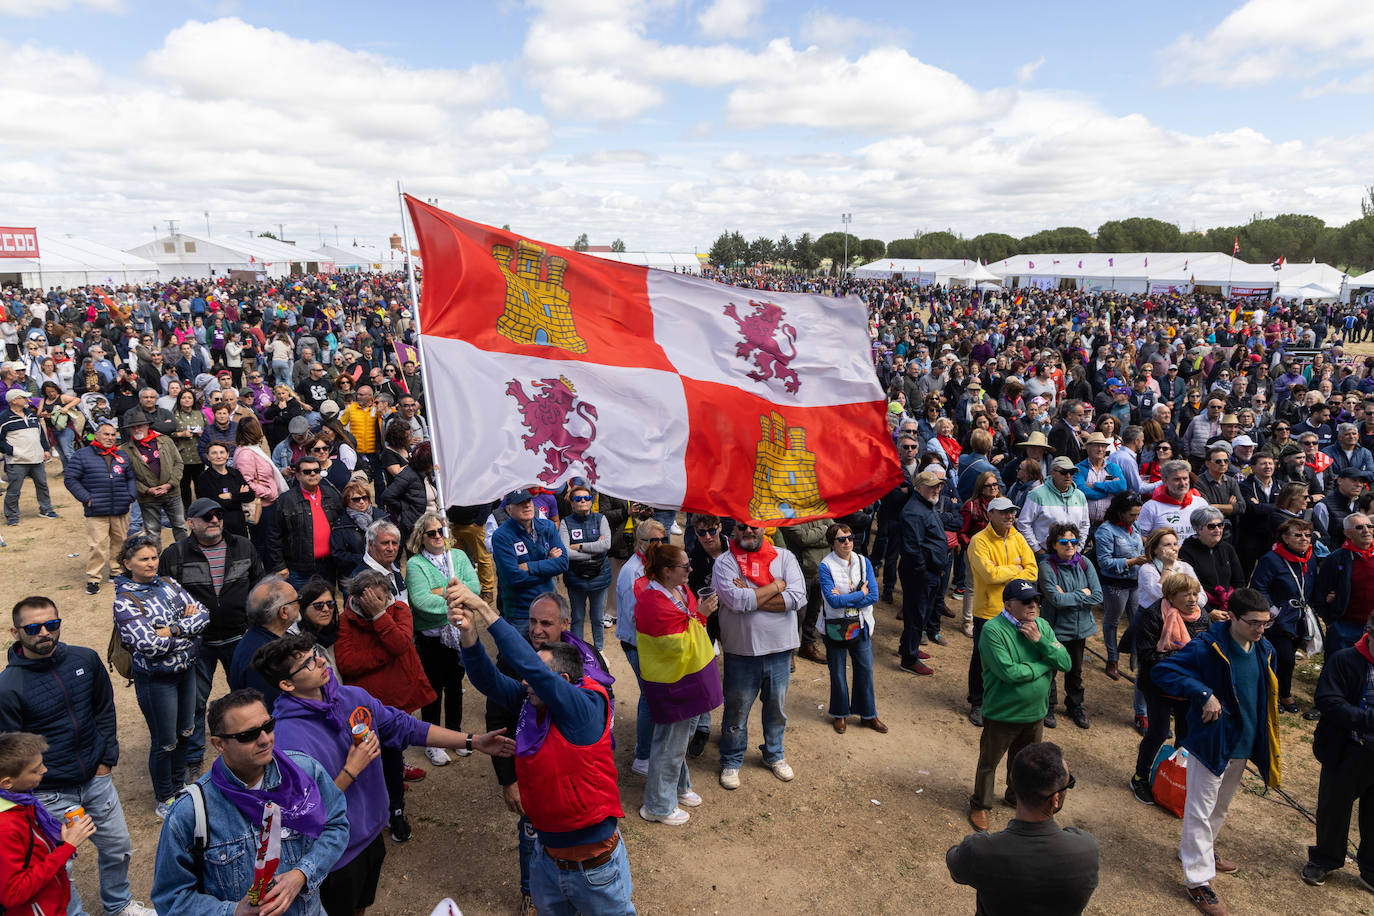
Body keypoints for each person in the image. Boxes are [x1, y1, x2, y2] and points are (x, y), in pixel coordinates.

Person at [258, 632, 513, 916]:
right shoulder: (286, 738)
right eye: (308, 663)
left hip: (372, 836)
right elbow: (301, 811)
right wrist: (351, 770)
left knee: (361, 907)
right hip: (334, 857)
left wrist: (472, 741)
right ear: (286, 684)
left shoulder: (350, 697)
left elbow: (405, 726)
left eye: (316, 653)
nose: (320, 661)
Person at [448, 581, 636, 916]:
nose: (523, 683)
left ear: (561, 683)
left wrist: (486, 609)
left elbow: (533, 671)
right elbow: (488, 681)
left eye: (533, 678)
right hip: (547, 860)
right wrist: (469, 631)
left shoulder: (585, 706)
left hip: (594, 870)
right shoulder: (532, 697)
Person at [0, 596, 155, 916]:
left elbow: (104, 708)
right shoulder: (7, 688)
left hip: (96, 779)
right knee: (60, 863)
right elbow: (10, 750)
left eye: (51, 624)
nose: (44, 632)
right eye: (33, 627)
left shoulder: (85, 659)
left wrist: (106, 760)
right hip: (49, 792)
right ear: (16, 633)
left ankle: (119, 904)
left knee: (118, 847)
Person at [150, 688, 350, 916]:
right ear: (219, 744)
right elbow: (171, 899)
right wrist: (232, 911)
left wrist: (302, 874)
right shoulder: (191, 812)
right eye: (248, 735)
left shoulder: (305, 773)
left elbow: (337, 826)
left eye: (268, 726)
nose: (264, 739)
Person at [1152, 588, 1280, 916]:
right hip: (1212, 744)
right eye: (1253, 623)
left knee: (1219, 807)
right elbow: (1163, 671)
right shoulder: (1207, 647)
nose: (1260, 629)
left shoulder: (1265, 648)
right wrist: (1203, 693)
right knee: (1199, 809)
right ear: (1232, 617)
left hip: (1243, 745)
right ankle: (1197, 880)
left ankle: (1202, 852)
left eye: (1266, 623)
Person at [158, 497, 264, 783]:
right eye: (207, 517)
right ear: (190, 523)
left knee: (247, 697)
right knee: (195, 702)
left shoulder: (243, 545)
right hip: (197, 643)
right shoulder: (175, 554)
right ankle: (194, 757)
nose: (215, 520)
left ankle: (254, 748)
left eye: (218, 514)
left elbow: (259, 586)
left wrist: (252, 626)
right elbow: (164, 598)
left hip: (239, 638)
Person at [334, 569, 436, 844]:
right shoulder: (347, 620)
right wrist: (385, 654)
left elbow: (401, 644)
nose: (378, 604)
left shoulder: (399, 610)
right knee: (365, 761)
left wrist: (380, 617)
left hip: (395, 702)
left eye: (382, 599)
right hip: (362, 711)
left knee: (392, 758)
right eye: (372, 601)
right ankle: (367, 814)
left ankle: (396, 811)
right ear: (358, 599)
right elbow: (347, 663)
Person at [113, 534, 211, 817]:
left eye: (154, 557)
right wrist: (189, 632)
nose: (151, 563)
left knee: (185, 732)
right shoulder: (125, 601)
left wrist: (174, 630)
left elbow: (202, 615)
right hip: (157, 679)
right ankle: (165, 796)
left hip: (186, 672)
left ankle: (180, 785)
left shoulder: (169, 584)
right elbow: (148, 645)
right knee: (165, 740)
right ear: (127, 563)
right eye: (144, 559)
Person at [947, 741, 1099, 915]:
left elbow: (956, 868)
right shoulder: (1087, 849)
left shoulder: (980, 851)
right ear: (1055, 799)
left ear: (1012, 779)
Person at [967, 579, 1071, 833]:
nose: (1033, 605)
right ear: (1009, 604)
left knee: (1025, 763)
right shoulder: (993, 630)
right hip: (1003, 713)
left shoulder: (1042, 626)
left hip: (1035, 713)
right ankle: (980, 804)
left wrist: (1041, 642)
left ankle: (1016, 796)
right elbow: (1009, 673)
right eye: (1027, 601)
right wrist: (1045, 665)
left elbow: (1065, 662)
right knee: (989, 762)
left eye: (1036, 600)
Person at [712, 521, 806, 789]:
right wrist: (777, 586)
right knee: (736, 711)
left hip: (780, 649)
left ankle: (774, 754)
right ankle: (731, 760)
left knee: (776, 708)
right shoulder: (725, 562)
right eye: (742, 527)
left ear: (766, 528)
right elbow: (736, 602)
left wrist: (752, 595)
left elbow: (798, 597)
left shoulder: (785, 557)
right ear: (735, 530)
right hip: (742, 651)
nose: (748, 531)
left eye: (754, 526)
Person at [633, 542, 722, 826]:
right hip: (671, 682)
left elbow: (686, 627)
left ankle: (679, 786)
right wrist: (703, 615)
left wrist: (697, 616)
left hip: (686, 677)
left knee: (680, 737)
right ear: (667, 571)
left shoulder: (679, 590)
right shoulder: (653, 602)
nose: (690, 569)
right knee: (668, 742)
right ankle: (657, 805)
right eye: (685, 566)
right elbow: (677, 645)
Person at [1130, 574, 1225, 805]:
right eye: (1186, 595)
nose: (1193, 600)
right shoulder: (1153, 616)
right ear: (1171, 597)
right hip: (1158, 686)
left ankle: (1174, 775)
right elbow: (1147, 657)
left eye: (1195, 594)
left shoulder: (1202, 616)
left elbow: (1211, 649)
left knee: (1185, 736)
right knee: (1159, 732)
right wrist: (1185, 656)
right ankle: (1140, 777)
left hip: (1188, 687)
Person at [1301, 612, 1374, 889]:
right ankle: (1324, 859)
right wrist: (1368, 719)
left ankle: (1371, 870)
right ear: (1369, 632)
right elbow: (1329, 702)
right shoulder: (1344, 660)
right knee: (1334, 809)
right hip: (1348, 750)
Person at [404, 511, 478, 766]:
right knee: (433, 690)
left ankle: (456, 735)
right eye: (431, 533)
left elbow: (475, 588)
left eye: (441, 531)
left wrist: (440, 591)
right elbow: (421, 601)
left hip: (458, 635)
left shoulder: (457, 556)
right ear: (420, 537)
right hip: (431, 638)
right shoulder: (415, 564)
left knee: (455, 687)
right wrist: (457, 592)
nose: (437, 536)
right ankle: (432, 742)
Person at [0, 731, 97, 916]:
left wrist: (60, 841)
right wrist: (66, 847)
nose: (44, 770)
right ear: (7, 782)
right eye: (35, 769)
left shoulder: (23, 801)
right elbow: (14, 893)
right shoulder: (5, 826)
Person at [967, 497, 1038, 728]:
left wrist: (1006, 573)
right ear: (990, 515)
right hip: (988, 611)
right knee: (982, 657)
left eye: (1012, 512)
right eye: (1004, 512)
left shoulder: (1018, 537)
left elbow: (1033, 572)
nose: (1010, 516)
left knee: (1012, 655)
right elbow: (989, 575)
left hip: (1016, 612)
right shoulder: (979, 541)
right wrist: (1017, 570)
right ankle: (977, 702)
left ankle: (1002, 699)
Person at [817, 522, 886, 734]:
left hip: (862, 624)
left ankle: (868, 714)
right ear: (832, 543)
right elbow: (833, 602)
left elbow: (874, 596)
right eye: (841, 539)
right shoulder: (825, 566)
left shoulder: (863, 562)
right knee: (837, 672)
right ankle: (840, 714)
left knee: (865, 670)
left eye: (850, 538)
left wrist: (850, 597)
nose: (847, 542)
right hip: (836, 626)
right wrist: (861, 594)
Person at [1036, 522, 1101, 730]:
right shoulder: (1047, 566)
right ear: (1054, 544)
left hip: (1080, 628)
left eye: (1073, 541)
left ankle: (1075, 705)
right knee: (1051, 668)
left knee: (1076, 670)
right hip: (1055, 628)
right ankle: (1049, 706)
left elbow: (1098, 595)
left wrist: (1070, 596)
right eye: (1064, 542)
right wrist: (1084, 593)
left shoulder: (1084, 563)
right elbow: (1056, 600)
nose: (1070, 545)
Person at [1249, 517, 1318, 715]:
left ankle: (1282, 691)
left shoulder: (1309, 557)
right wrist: (1272, 611)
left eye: (1307, 535)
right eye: (1298, 535)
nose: (1304, 539)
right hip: (1278, 619)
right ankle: (1276, 693)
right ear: (1285, 538)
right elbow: (1259, 587)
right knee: (1283, 657)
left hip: (1300, 616)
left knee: (1291, 656)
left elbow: (1313, 582)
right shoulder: (1271, 559)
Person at [616, 518, 666, 776]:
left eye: (662, 540)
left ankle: (649, 747)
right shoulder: (632, 571)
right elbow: (635, 615)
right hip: (638, 643)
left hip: (652, 642)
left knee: (654, 695)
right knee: (649, 696)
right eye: (653, 541)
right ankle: (643, 757)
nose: (659, 545)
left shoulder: (653, 565)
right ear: (640, 542)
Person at [65, 419, 136, 595]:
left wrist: (130, 496)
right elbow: (71, 479)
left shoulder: (121, 455)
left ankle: (116, 572)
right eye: (106, 434)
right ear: (97, 435)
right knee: (97, 545)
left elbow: (130, 478)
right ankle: (93, 578)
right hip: (96, 509)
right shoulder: (82, 455)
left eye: (113, 435)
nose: (110, 438)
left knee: (120, 543)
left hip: (120, 507)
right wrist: (86, 498)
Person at [492, 488, 569, 634]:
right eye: (520, 503)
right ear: (509, 510)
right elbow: (513, 577)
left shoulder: (548, 526)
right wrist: (548, 564)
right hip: (520, 613)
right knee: (519, 655)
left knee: (548, 655)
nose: (527, 505)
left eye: (528, 501)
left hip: (548, 606)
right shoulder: (501, 536)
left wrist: (529, 566)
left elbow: (563, 563)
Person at [898, 468, 948, 675]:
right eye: (932, 486)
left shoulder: (925, 506)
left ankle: (908, 647)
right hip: (920, 574)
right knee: (917, 615)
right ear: (918, 488)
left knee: (920, 613)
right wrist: (922, 572)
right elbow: (911, 549)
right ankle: (909, 658)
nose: (937, 489)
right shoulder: (913, 511)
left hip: (929, 572)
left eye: (938, 485)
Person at [267, 455, 341, 587]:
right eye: (307, 472)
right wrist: (279, 566)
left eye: (316, 471)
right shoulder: (285, 500)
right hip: (299, 569)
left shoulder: (332, 494)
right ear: (297, 475)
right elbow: (273, 536)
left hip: (329, 566)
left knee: (327, 604)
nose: (312, 474)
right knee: (302, 606)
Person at [229, 575, 302, 707]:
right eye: (297, 600)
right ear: (284, 612)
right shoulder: (268, 658)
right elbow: (272, 709)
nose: (300, 604)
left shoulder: (257, 638)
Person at [120, 408, 186, 545]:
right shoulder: (125, 450)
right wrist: (146, 490)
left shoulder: (165, 441)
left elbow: (178, 463)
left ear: (147, 426)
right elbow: (127, 476)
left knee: (180, 527)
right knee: (153, 532)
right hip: (147, 497)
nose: (137, 429)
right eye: (133, 427)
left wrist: (170, 484)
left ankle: (186, 559)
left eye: (140, 426)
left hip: (172, 492)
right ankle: (155, 564)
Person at [560, 484, 614, 647]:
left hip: (600, 577)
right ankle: (579, 651)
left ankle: (599, 650)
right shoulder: (565, 523)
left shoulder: (601, 519)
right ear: (571, 502)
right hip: (576, 578)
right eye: (578, 498)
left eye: (586, 498)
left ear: (591, 501)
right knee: (577, 618)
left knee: (597, 618)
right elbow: (566, 552)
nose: (583, 501)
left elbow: (606, 545)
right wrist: (592, 551)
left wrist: (580, 546)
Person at [1315, 512, 1374, 659]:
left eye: (1370, 526)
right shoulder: (1336, 559)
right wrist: (1331, 620)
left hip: (1373, 628)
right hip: (1345, 627)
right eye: (1359, 527)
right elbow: (1320, 593)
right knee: (1340, 672)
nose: (1366, 530)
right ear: (1347, 533)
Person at [1, 388, 57, 526]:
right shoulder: (3, 419)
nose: (27, 400)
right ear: (14, 401)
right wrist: (12, 451)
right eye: (24, 398)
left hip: (36, 458)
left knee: (42, 484)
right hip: (17, 461)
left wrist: (45, 449)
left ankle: (46, 509)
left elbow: (40, 433)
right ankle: (12, 515)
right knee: (14, 489)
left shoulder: (31, 415)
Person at [1015, 456, 1089, 553]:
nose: (1068, 475)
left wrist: (1078, 548)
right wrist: (1037, 549)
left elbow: (1085, 525)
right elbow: (1023, 523)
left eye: (1071, 472)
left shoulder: (1080, 495)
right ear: (1052, 472)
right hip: (1045, 554)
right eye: (1063, 472)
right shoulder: (1037, 494)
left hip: (1072, 553)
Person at [1180, 507, 1246, 613]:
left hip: (1229, 606)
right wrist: (1209, 612)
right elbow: (1187, 587)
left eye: (1220, 525)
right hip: (1201, 608)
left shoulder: (1227, 548)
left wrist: (1235, 606)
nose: (1217, 530)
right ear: (1198, 529)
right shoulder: (1186, 552)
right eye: (1211, 526)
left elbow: (1239, 582)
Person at [1139, 459, 1211, 542]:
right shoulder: (1151, 507)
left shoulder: (1200, 503)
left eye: (1185, 478)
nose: (1183, 483)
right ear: (1165, 481)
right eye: (1177, 479)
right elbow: (1141, 537)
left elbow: (1210, 530)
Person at [194, 442, 254, 538]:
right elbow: (214, 503)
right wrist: (239, 496)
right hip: (218, 525)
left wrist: (230, 496)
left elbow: (250, 495)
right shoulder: (204, 477)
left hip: (240, 524)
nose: (218, 456)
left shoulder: (235, 473)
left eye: (222, 452)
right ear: (208, 457)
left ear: (227, 455)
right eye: (214, 453)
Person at [381, 441, 436, 544]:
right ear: (427, 461)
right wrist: (406, 510)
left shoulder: (428, 474)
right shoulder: (407, 475)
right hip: (418, 529)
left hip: (433, 524)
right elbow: (387, 496)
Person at [295, 577, 342, 679]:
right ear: (304, 608)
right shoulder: (296, 640)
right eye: (318, 605)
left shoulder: (338, 631)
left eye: (330, 604)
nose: (326, 609)